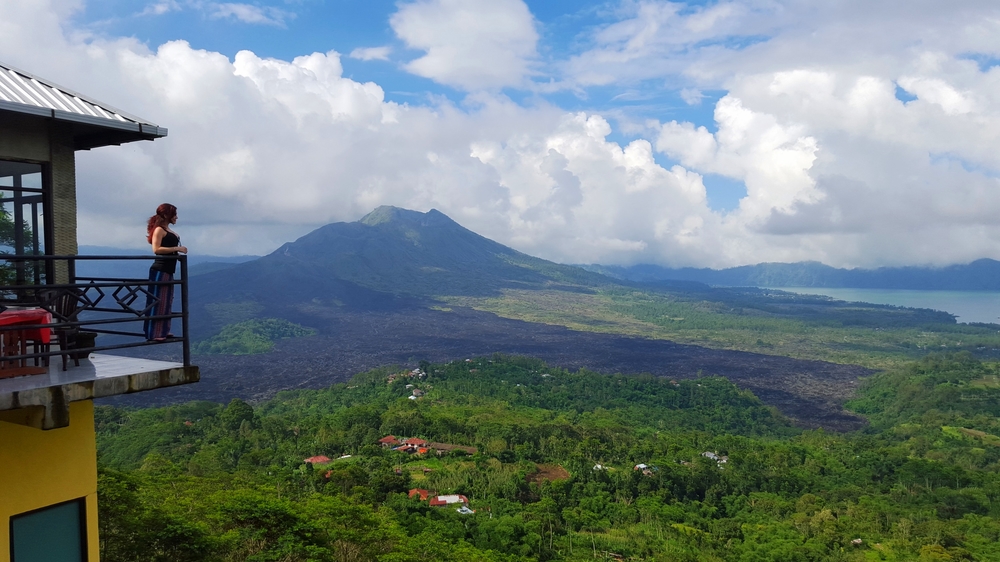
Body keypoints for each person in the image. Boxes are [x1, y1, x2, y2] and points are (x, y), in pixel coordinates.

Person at [143, 203, 187, 341]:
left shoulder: (166, 229)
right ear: (167, 215)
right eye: (174, 214)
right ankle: (153, 333)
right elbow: (156, 249)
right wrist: (177, 249)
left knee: (167, 301)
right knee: (157, 300)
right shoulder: (159, 230)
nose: (176, 217)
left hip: (168, 270)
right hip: (160, 270)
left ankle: (162, 330)